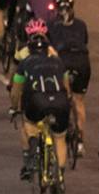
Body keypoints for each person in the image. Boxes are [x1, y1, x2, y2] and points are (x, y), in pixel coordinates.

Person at [11, 35, 71, 183]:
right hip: (60, 102)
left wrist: (14, 107)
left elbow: (16, 90)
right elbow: (67, 87)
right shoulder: (58, 61)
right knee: (60, 138)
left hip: (37, 101)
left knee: (28, 123)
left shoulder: (25, 63)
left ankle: (33, 144)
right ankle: (60, 177)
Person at [48, 0, 90, 157]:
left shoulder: (51, 25)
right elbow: (84, 42)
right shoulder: (81, 24)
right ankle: (80, 143)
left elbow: (49, 49)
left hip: (63, 61)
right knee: (78, 101)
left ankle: (58, 129)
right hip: (82, 62)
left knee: (58, 94)